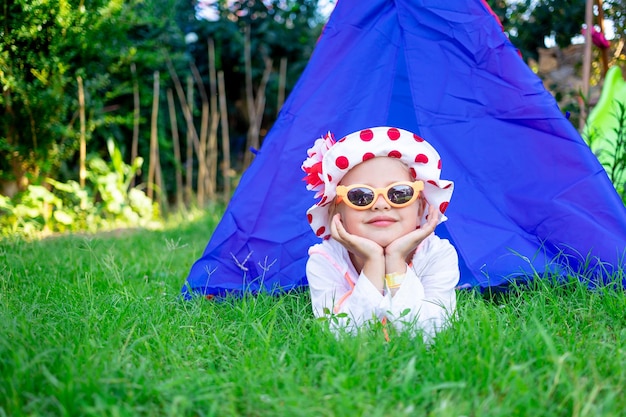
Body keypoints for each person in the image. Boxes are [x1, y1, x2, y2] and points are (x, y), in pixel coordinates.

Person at [301, 126, 459, 340]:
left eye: (399, 193)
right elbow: (345, 338)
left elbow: (432, 334)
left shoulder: (437, 255)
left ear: (420, 207)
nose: (381, 205)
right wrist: (373, 262)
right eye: (360, 196)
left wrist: (395, 260)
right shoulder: (325, 261)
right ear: (337, 212)